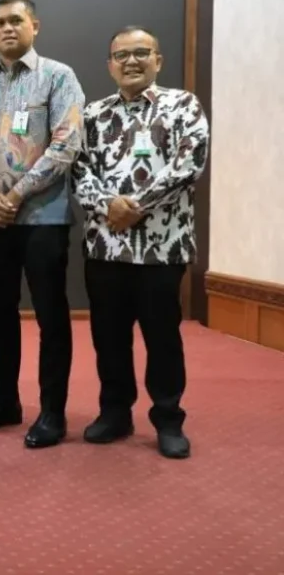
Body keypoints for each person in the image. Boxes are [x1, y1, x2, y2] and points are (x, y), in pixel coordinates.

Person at [73, 26, 209, 459]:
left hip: (162, 248)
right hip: (105, 246)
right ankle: (115, 413)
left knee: (162, 336)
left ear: (158, 60)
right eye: (121, 55)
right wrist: (109, 205)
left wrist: (138, 205)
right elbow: (78, 170)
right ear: (110, 63)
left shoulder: (183, 105)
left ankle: (168, 418)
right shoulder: (93, 114)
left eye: (141, 53)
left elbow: (190, 162)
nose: (131, 61)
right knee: (108, 336)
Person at [0, 0, 85, 448]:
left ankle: (53, 411)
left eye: (17, 20)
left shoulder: (58, 77)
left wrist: (13, 195)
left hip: (42, 219)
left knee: (51, 317)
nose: (8, 28)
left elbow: (67, 145)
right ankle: (5, 399)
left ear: (35, 25)